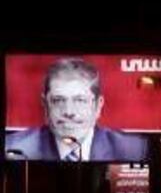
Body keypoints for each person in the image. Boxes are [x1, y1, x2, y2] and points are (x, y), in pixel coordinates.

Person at [5, 58, 149, 162]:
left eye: (80, 100)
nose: (69, 111)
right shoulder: (15, 148)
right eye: (58, 100)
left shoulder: (133, 149)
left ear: (98, 106)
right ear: (45, 104)